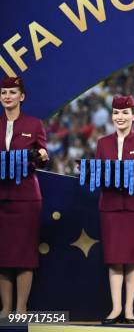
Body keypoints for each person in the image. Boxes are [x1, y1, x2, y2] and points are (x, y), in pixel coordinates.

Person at [95, 95, 134, 325]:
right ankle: (115, 308)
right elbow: (98, 174)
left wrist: (128, 175)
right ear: (112, 116)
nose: (120, 117)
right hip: (110, 206)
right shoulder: (102, 143)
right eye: (117, 113)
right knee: (114, 258)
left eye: (125, 113)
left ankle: (129, 310)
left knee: (132, 258)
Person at [0, 77, 49, 317]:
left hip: (26, 197)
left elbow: (43, 155)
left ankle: (21, 308)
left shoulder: (34, 124)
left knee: (24, 254)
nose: (7, 96)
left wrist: (41, 155)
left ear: (22, 96)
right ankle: (5, 308)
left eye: (12, 92)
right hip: (1, 197)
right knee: (3, 254)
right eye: (4, 92)